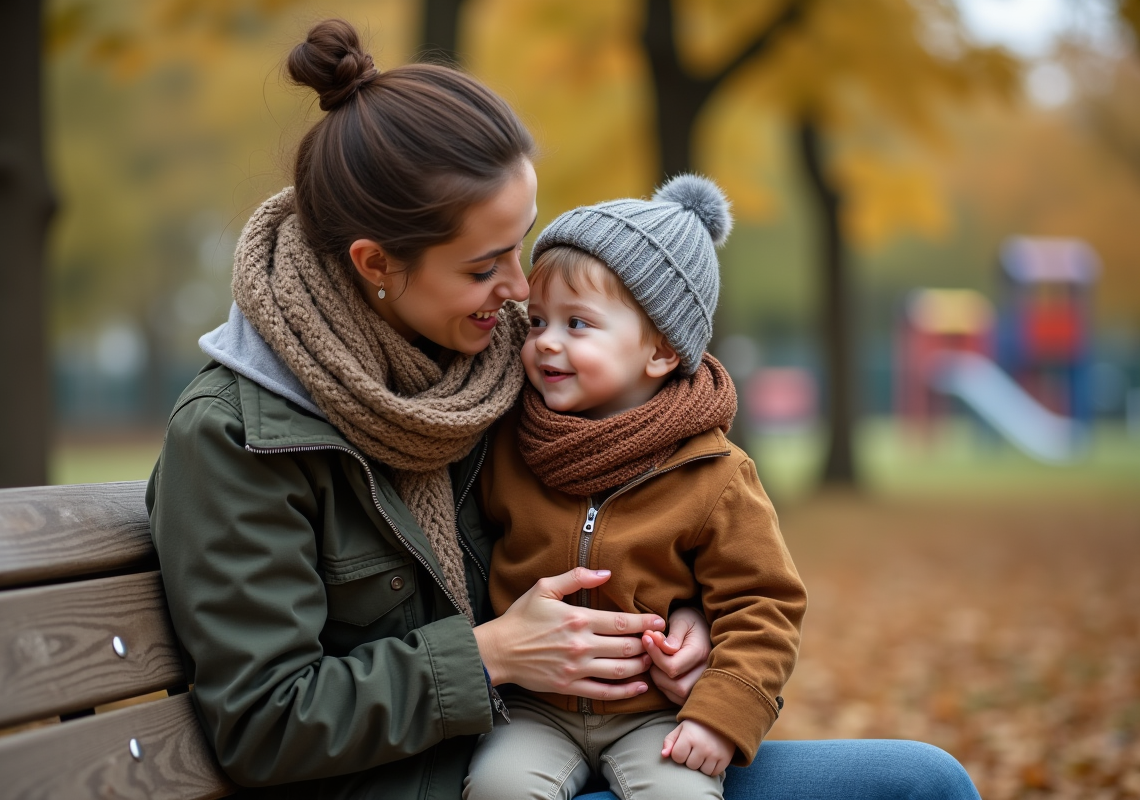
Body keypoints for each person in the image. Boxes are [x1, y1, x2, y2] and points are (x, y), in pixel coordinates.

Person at [146, 17, 983, 800]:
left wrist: (679, 612)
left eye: (523, 241)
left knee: (927, 781)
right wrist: (491, 655)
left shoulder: (499, 365)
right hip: (452, 775)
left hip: (598, 734)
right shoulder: (240, 435)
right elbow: (263, 723)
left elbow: (637, 504)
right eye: (485, 267)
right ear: (376, 264)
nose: (519, 291)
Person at [464, 176, 806, 800]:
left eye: (578, 323)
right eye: (538, 320)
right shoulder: (505, 446)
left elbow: (765, 603)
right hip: (531, 710)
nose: (545, 341)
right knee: (497, 790)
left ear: (661, 351)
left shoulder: (714, 473)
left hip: (658, 715)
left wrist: (722, 712)